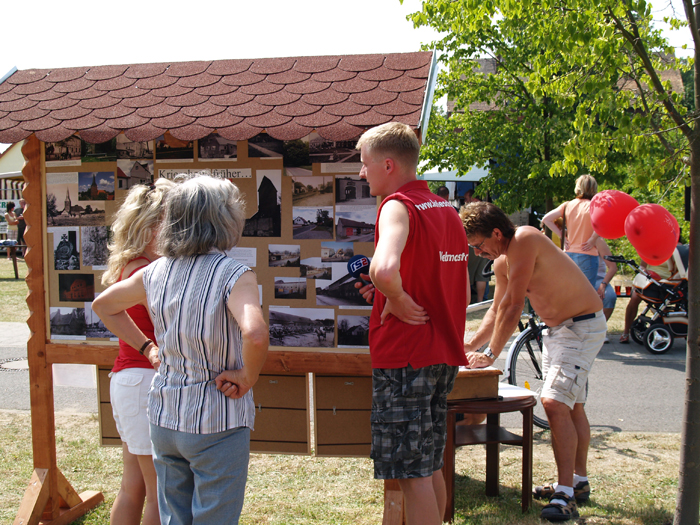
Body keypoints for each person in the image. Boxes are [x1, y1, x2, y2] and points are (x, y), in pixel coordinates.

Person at [93, 175, 269, 525]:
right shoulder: (234, 274)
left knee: (175, 516)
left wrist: (147, 348)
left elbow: (104, 305)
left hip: (165, 416)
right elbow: (255, 333)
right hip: (217, 417)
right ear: (224, 219)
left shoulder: (155, 271)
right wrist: (247, 377)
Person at [354, 122, 469, 525]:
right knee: (430, 464)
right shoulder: (446, 209)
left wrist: (397, 297)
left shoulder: (396, 205)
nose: (361, 173)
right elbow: (452, 285)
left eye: (365, 164)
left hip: (405, 356)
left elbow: (383, 269)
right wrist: (390, 295)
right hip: (441, 353)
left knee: (410, 473)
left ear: (388, 165)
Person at [461, 201, 605, 521]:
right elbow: (497, 309)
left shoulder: (524, 238)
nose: (478, 253)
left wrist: (491, 354)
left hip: (581, 326)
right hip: (558, 331)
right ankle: (578, 482)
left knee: (554, 403)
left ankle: (565, 495)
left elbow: (514, 306)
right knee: (572, 406)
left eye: (479, 245)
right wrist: (469, 345)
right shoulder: (503, 261)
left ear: (497, 233)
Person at [100, 179, 172, 525]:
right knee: (160, 493)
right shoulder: (146, 268)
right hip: (145, 380)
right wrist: (149, 347)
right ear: (154, 226)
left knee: (134, 486)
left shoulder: (134, 263)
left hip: (130, 379)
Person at [541, 175, 599, 288]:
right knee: (586, 294)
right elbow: (604, 223)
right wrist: (593, 239)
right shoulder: (595, 206)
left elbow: (546, 219)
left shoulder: (568, 205)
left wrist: (562, 235)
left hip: (568, 253)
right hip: (588, 254)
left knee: (569, 292)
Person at [594, 238, 617, 333]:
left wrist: (603, 284)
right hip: (578, 279)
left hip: (598, 279)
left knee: (609, 296)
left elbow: (613, 267)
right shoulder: (568, 238)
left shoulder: (598, 241)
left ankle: (599, 330)